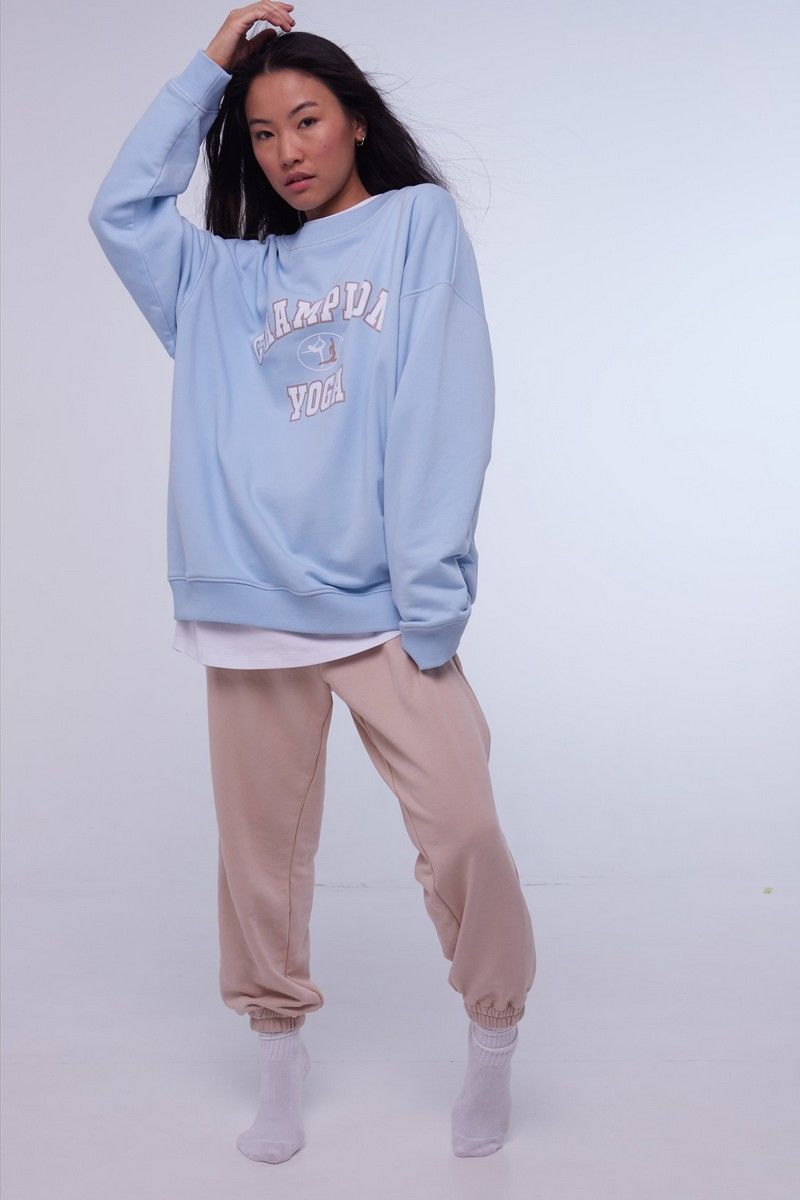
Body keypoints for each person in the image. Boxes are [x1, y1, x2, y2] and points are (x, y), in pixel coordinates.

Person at [88, 2, 536, 1163]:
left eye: (306, 119)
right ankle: (277, 1059)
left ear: (354, 123)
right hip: (246, 606)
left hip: (387, 609)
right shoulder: (218, 276)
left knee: (464, 829)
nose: (286, 150)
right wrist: (208, 68)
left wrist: (431, 594)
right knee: (260, 864)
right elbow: (119, 209)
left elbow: (444, 403)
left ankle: (491, 1036)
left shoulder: (414, 226)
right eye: (261, 131)